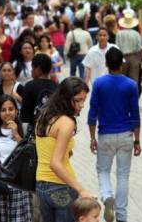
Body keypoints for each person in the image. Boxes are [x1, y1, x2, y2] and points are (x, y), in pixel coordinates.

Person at [88, 47, 141, 222]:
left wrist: (92, 137)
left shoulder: (99, 84)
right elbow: (135, 114)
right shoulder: (131, 85)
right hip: (126, 133)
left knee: (103, 170)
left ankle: (106, 195)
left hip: (105, 134)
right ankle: (121, 215)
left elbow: (92, 113)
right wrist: (137, 140)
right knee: (123, 175)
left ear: (106, 63)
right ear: (122, 63)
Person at [36, 76, 96, 222]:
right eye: (77, 100)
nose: (81, 105)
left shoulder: (44, 116)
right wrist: (81, 190)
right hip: (61, 188)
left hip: (41, 186)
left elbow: (47, 149)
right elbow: (55, 163)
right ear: (65, 98)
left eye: (83, 100)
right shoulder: (66, 123)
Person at [0, 95, 32, 221]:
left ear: (17, 111)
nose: (7, 113)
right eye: (3, 110)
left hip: (20, 188)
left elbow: (30, 154)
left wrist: (17, 136)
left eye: (11, 109)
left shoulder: (25, 131)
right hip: (0, 188)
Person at [21, 54, 57, 132]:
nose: (31, 70)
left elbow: (25, 116)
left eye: (32, 68)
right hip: (53, 130)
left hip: (34, 131)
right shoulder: (57, 87)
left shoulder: (29, 86)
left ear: (38, 69)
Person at [116, 10, 142, 82]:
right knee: (134, 80)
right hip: (134, 57)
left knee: (121, 79)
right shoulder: (136, 34)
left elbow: (117, 46)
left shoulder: (119, 34)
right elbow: (139, 47)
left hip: (122, 58)